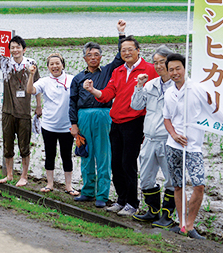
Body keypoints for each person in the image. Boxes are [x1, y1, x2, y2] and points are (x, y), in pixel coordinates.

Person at [83, 36, 158, 217]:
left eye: (130, 49)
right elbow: (108, 94)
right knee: (115, 163)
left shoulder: (149, 70)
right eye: (123, 50)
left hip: (135, 122)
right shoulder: (117, 71)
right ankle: (121, 200)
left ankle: (132, 203)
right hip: (116, 121)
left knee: (128, 163)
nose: (126, 53)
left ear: (138, 50)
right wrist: (93, 91)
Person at [69, 20, 126, 208]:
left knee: (103, 155)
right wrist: (74, 124)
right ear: (84, 58)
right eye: (89, 55)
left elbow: (120, 57)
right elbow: (72, 102)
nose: (93, 57)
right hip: (84, 117)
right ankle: (87, 191)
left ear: (101, 57)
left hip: (104, 115)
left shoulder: (108, 71)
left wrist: (121, 34)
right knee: (86, 154)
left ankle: (102, 194)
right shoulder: (78, 78)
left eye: (96, 54)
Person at [163, 53, 211, 240]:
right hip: (172, 145)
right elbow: (167, 118)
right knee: (178, 186)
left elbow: (216, 111)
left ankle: (190, 225)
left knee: (199, 184)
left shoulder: (198, 89)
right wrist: (174, 135)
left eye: (178, 68)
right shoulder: (169, 92)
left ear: (185, 68)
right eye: (171, 70)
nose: (175, 73)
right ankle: (182, 224)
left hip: (193, 147)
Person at [130, 46, 176, 228]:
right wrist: (139, 85)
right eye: (155, 62)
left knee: (171, 178)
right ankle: (152, 211)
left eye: (162, 62)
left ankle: (167, 215)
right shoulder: (151, 84)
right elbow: (135, 105)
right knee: (147, 177)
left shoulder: (178, 85)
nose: (158, 66)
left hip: (168, 139)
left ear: (170, 63)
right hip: (149, 137)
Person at [0, 25, 36, 186]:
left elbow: (38, 87)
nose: (15, 50)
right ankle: (9, 174)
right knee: (7, 145)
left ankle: (24, 176)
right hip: (7, 111)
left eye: (18, 47)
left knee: (24, 146)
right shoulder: (5, 63)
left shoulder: (31, 65)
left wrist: (39, 106)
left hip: (24, 112)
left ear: (24, 49)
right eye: (12, 48)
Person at [27, 54, 78, 195]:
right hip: (49, 125)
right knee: (50, 154)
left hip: (67, 126)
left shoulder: (72, 79)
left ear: (63, 64)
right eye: (51, 64)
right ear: (48, 67)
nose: (55, 66)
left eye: (57, 63)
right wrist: (31, 75)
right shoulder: (44, 81)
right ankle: (49, 184)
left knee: (66, 155)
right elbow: (30, 90)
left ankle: (69, 186)